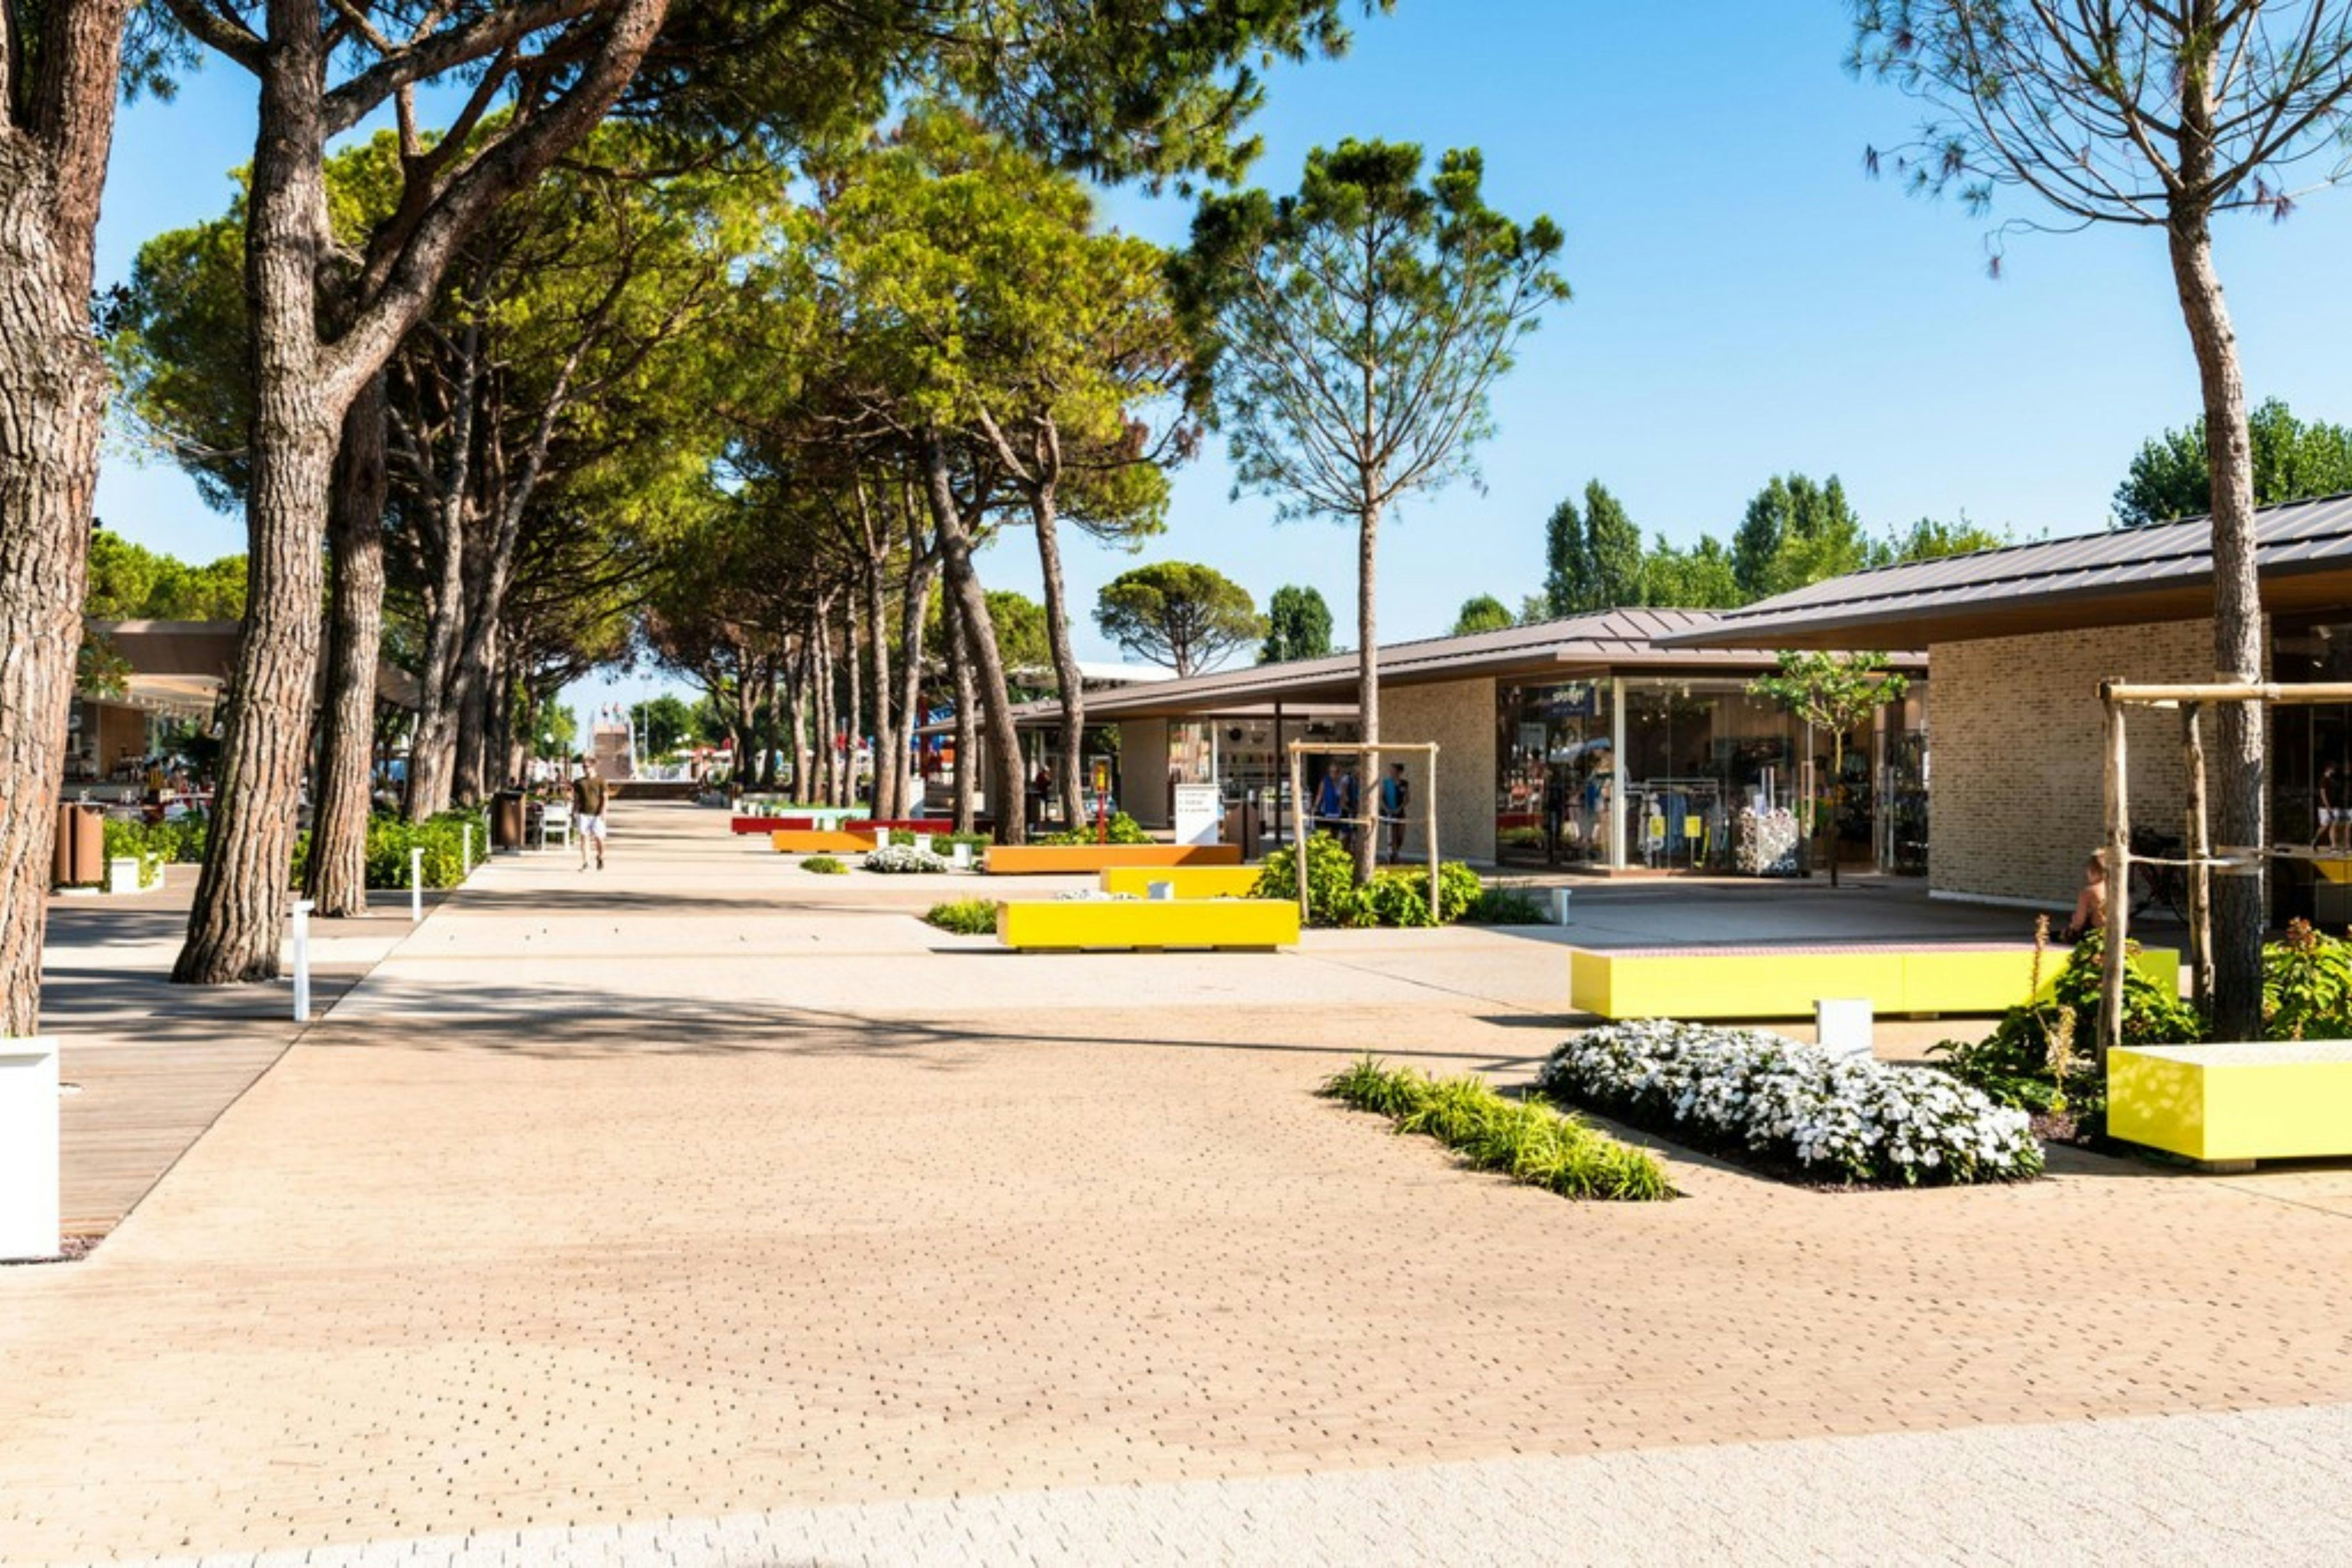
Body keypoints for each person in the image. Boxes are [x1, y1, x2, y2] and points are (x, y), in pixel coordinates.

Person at [571, 754, 610, 871]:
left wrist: (603, 812)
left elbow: (605, 798)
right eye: (584, 767)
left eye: (587, 767)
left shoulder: (601, 781)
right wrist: (574, 811)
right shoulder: (579, 783)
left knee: (599, 839)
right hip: (584, 813)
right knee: (584, 837)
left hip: (597, 813)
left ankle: (601, 857)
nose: (585, 769)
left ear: (593, 767)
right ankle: (586, 862)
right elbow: (576, 799)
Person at [2060, 852, 2106, 943]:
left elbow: (2079, 922)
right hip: (2119, 934)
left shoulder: (2089, 892)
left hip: (2098, 936)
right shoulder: (2117, 890)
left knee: (2056, 936)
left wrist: (2071, 927)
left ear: (2093, 871)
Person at [1379, 762, 1411, 864]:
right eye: (1390, 770)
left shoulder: (1404, 784)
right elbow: (1381, 797)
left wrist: (1400, 808)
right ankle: (1395, 856)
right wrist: (1386, 809)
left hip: (1400, 811)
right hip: (1389, 812)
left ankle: (1396, 852)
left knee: (1401, 835)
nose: (1391, 772)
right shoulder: (1387, 783)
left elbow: (1407, 799)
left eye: (1393, 770)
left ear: (1399, 772)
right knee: (1393, 834)